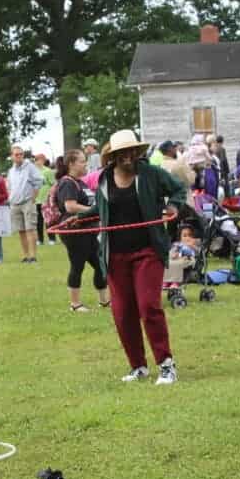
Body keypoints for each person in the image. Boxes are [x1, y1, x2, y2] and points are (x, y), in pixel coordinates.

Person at [79, 129, 186, 385]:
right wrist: (80, 217)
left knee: (148, 306)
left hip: (147, 250)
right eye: (122, 153)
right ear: (113, 156)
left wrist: (172, 207)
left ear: (137, 152)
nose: (128, 156)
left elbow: (178, 189)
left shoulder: (150, 173)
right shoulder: (105, 179)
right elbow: (103, 207)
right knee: (122, 312)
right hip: (115, 254)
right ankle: (138, 366)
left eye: (132, 151)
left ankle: (166, 365)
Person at [55, 150, 109, 312]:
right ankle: (75, 304)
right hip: (75, 231)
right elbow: (70, 206)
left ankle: (104, 301)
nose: (85, 164)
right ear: (71, 164)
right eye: (82, 161)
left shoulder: (81, 182)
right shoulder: (67, 183)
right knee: (77, 265)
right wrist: (94, 210)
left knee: (101, 265)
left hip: (89, 230)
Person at [7, 144, 43, 263]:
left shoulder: (30, 167)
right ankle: (25, 255)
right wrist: (10, 198)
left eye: (21, 154)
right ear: (12, 156)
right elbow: (10, 186)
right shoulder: (11, 170)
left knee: (30, 229)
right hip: (15, 203)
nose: (19, 156)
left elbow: (39, 181)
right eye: (16, 155)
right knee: (21, 230)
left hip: (27, 201)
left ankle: (33, 256)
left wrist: (33, 198)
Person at [34, 153, 56, 246]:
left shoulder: (48, 171)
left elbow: (53, 184)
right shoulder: (33, 172)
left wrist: (51, 196)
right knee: (38, 221)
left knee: (48, 219)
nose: (36, 162)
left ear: (43, 160)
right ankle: (40, 239)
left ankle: (52, 238)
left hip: (45, 199)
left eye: (38, 159)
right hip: (36, 200)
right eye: (35, 160)